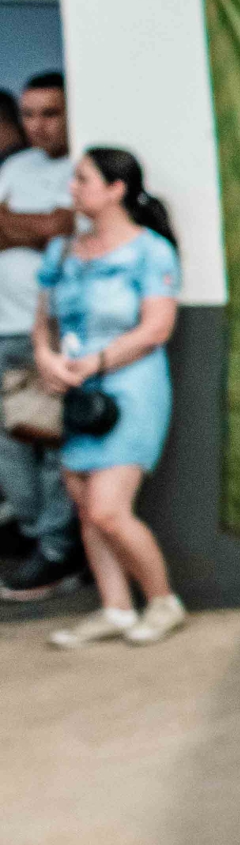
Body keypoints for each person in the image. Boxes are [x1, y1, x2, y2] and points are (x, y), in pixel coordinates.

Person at [38, 147, 187, 648]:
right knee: (85, 507)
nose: (73, 188)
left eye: (83, 179)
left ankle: (163, 601)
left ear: (115, 189)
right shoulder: (62, 252)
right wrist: (47, 359)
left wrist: (97, 362)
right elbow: (44, 322)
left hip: (131, 389)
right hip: (77, 392)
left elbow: (156, 328)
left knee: (108, 508)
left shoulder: (151, 252)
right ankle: (116, 608)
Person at [0, 73, 84, 599]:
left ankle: (56, 549)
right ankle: (35, 534)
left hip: (51, 332)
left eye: (50, 113)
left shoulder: (81, 168)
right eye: (29, 114)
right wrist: (39, 226)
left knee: (52, 441)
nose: (38, 126)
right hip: (1, 325)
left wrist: (13, 224)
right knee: (10, 443)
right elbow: (47, 226)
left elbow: (64, 227)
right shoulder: (14, 168)